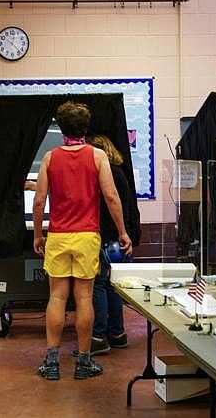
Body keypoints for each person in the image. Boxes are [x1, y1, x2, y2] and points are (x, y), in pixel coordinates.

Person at [32, 102, 131, 381]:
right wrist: (123, 232)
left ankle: (52, 363)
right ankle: (84, 362)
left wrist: (38, 234)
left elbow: (39, 201)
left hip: (59, 236)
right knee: (85, 297)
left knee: (56, 297)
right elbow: (111, 197)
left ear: (61, 126)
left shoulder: (51, 158)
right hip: (87, 236)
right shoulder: (98, 156)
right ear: (86, 127)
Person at [82, 133, 133, 355]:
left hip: (103, 235)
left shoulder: (103, 173)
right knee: (112, 286)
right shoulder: (120, 172)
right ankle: (118, 333)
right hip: (118, 239)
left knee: (98, 285)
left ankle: (98, 336)